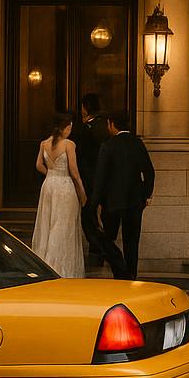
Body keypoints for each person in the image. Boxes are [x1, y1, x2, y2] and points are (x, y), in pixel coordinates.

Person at [91, 110, 155, 279]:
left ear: (111, 124)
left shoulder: (108, 145)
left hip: (111, 202)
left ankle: (120, 270)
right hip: (135, 201)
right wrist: (146, 195)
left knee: (106, 238)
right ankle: (131, 275)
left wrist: (94, 203)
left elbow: (100, 178)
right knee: (132, 242)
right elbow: (149, 171)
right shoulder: (137, 143)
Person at [31, 112, 88, 278]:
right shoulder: (69, 144)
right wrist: (82, 192)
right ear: (66, 128)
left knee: (47, 224)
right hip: (64, 186)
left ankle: (44, 264)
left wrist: (51, 173)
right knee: (63, 226)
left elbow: (38, 165)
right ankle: (61, 268)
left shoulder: (44, 143)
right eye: (70, 127)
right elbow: (75, 172)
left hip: (48, 185)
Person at [73, 92, 109, 265]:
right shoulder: (105, 127)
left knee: (88, 216)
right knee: (96, 216)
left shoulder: (85, 129)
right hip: (102, 178)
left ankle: (98, 249)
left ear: (86, 107)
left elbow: (81, 155)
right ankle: (100, 248)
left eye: (82, 106)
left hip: (88, 179)